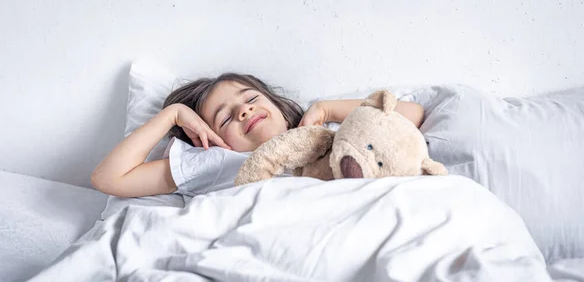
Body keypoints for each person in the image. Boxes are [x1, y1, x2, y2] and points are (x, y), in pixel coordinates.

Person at [91, 73, 424, 198]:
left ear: (278, 105)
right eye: (225, 118)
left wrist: (327, 109)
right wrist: (172, 116)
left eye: (251, 99)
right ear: (209, 139)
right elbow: (109, 179)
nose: (244, 111)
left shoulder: (326, 133)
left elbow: (412, 117)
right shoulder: (214, 162)